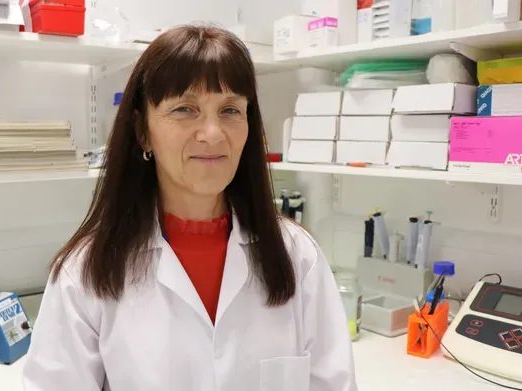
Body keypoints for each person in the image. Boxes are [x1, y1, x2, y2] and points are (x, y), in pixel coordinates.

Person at [23, 25, 357, 391]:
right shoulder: (84, 273)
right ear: (142, 130)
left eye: (230, 109)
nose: (213, 133)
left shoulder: (298, 257)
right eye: (185, 109)